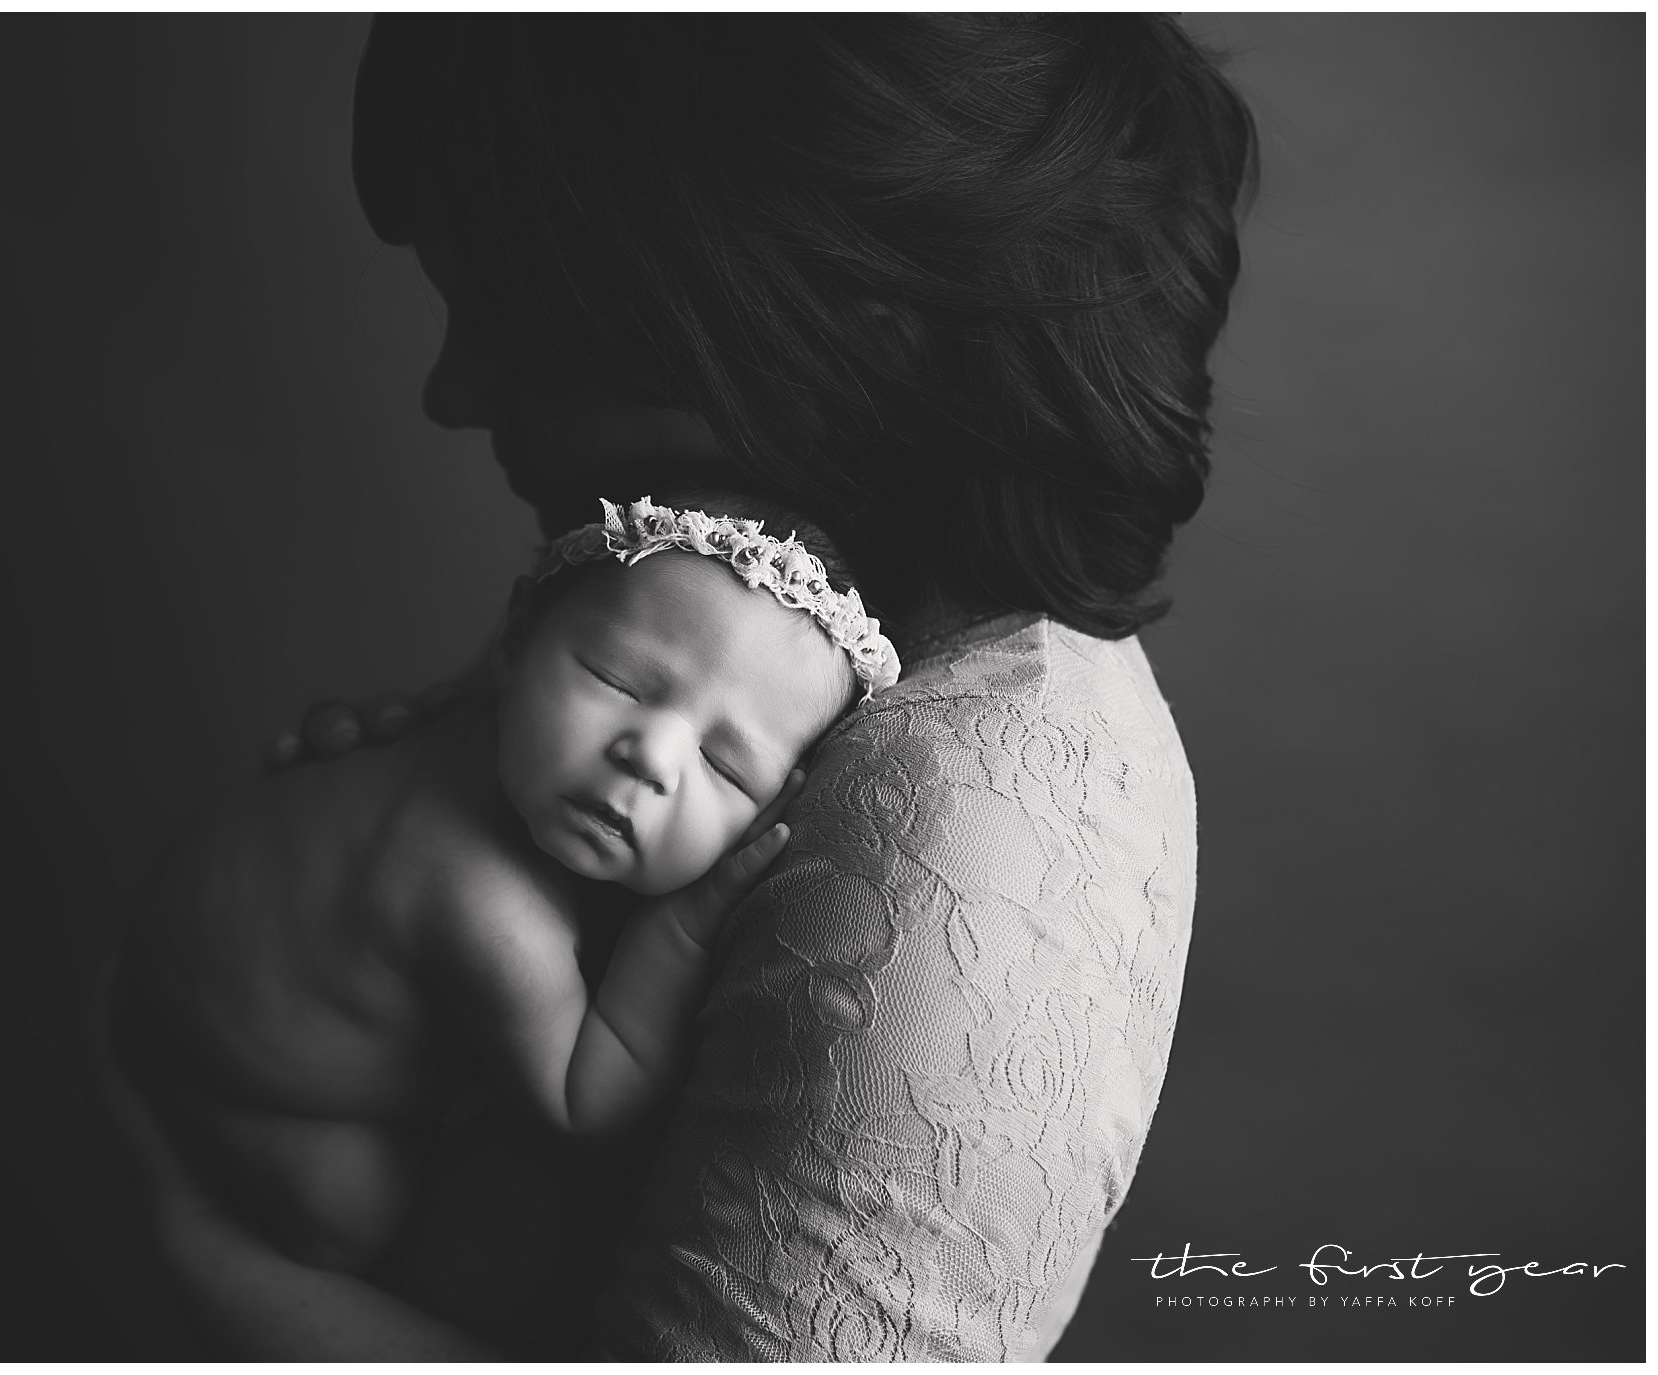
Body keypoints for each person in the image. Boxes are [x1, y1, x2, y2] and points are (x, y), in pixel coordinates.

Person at [98, 14, 1254, 1360]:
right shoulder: (745, 610)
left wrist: (162, 1233)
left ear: (817, 322)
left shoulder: (966, 835)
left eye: (520, 325)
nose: (451, 393)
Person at [110, 497, 894, 1275]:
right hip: (231, 1066)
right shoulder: (490, 906)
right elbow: (582, 1103)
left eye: (725, 767)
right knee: (354, 1207)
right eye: (616, 679)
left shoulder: (476, 728)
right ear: (516, 640)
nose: (651, 755)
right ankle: (177, 1172)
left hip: (194, 930)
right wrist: (681, 929)